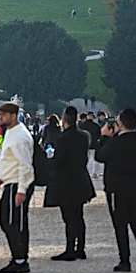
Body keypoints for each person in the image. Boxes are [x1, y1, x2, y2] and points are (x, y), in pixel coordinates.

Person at [95, 108, 136, 273]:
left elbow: (100, 156)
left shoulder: (114, 143)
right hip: (135, 187)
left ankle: (125, 261)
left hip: (116, 189)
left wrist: (104, 137)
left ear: (120, 124)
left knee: (120, 226)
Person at [44, 105, 96, 262]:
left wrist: (49, 160)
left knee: (69, 217)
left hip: (66, 181)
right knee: (79, 216)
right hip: (81, 179)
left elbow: (59, 161)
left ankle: (70, 249)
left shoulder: (63, 138)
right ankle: (80, 248)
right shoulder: (83, 136)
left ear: (65, 119)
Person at [0, 102, 34, 273]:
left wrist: (22, 189)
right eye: (0, 114)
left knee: (10, 222)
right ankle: (19, 256)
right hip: (11, 181)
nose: (0, 117)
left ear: (14, 115)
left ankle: (20, 259)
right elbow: (12, 161)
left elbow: (25, 165)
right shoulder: (11, 132)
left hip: (17, 183)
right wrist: (2, 178)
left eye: (4, 114)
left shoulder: (20, 136)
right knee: (14, 221)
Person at [80, 112, 101, 178]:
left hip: (84, 144)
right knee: (94, 159)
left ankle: (87, 172)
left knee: (86, 159)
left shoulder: (82, 125)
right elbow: (99, 135)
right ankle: (94, 172)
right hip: (94, 144)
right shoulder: (96, 126)